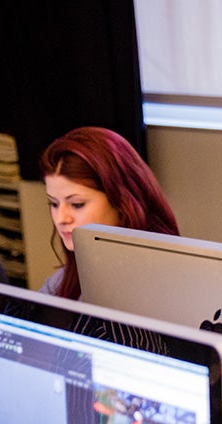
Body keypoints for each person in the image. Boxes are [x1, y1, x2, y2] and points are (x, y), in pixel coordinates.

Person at [38, 126, 179, 299]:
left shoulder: (167, 287)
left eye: (77, 204)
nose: (61, 218)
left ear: (122, 202)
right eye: (53, 203)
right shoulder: (62, 281)